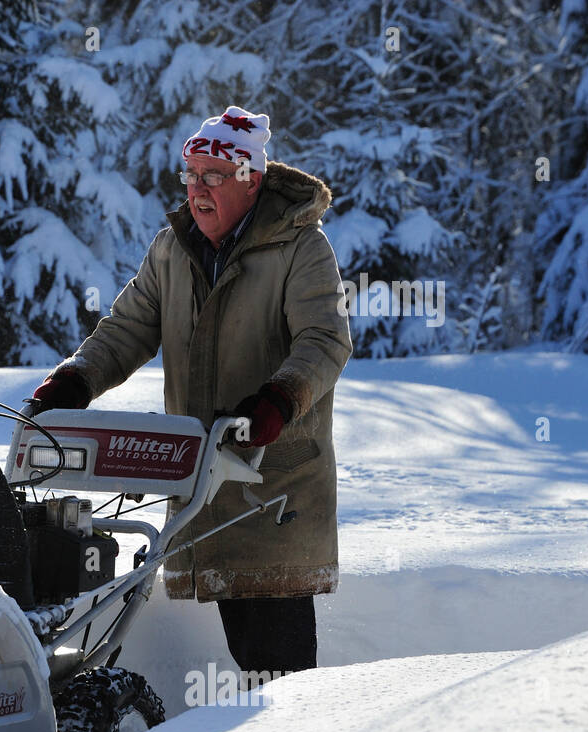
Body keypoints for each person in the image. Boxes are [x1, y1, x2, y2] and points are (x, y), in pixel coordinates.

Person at [29, 105, 352, 685]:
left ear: (250, 179)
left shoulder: (301, 247)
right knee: (252, 657)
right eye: (191, 175)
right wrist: (76, 379)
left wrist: (278, 400)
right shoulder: (173, 250)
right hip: (207, 480)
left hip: (274, 484)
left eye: (213, 176)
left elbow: (324, 340)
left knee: (281, 670)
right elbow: (126, 330)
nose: (197, 190)